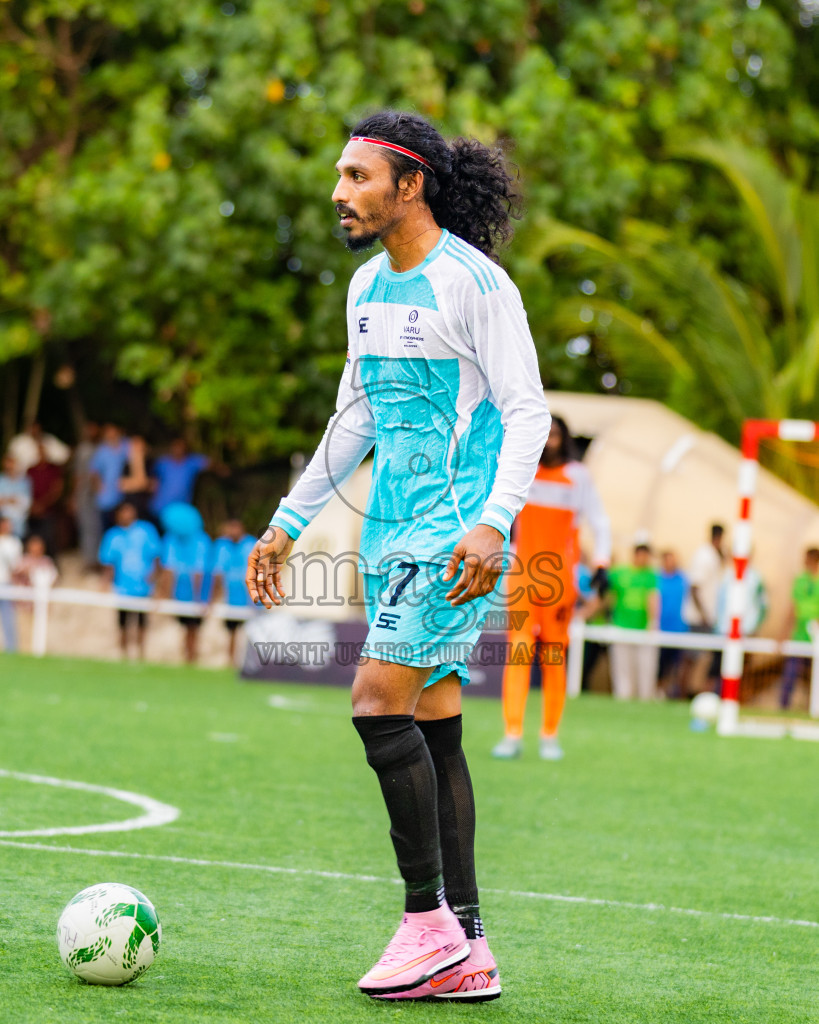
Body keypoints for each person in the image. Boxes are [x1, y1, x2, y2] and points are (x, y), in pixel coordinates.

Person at [246, 112, 549, 1001]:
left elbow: (527, 410)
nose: (338, 193)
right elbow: (357, 419)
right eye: (340, 177)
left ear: (407, 185)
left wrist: (494, 524)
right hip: (388, 534)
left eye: (355, 176)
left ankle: (426, 926)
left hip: (453, 536)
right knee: (435, 722)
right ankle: (470, 945)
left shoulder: (475, 284)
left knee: (375, 701)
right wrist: (286, 523)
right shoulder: (367, 289)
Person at [491, 415, 611, 761]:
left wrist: (601, 564)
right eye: (547, 434)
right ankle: (512, 734)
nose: (552, 440)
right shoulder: (523, 471)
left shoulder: (578, 476)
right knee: (519, 655)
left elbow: (600, 522)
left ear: (566, 438)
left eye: (557, 434)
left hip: (559, 583)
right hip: (523, 579)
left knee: (554, 659)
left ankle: (549, 735)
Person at [99, 501, 162, 660]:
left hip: (143, 586)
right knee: (123, 622)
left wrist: (155, 576)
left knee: (142, 621)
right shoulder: (113, 535)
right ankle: (123, 655)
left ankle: (141, 655)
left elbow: (156, 556)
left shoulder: (146, 530)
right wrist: (105, 583)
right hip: (122, 587)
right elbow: (108, 562)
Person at [159, 502, 212, 664]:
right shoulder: (174, 538)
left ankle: (190, 655)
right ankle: (188, 655)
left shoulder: (199, 540)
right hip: (183, 593)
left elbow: (198, 573)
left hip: (194, 593)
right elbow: (169, 571)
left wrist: (198, 599)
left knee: (193, 627)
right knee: (189, 627)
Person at [608, 543, 660, 700]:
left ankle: (645, 698)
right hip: (622, 626)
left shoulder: (650, 575)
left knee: (645, 668)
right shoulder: (620, 573)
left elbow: (653, 598)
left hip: (643, 629)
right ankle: (623, 697)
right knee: (622, 668)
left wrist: (653, 622)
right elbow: (608, 595)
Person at [209, 519, 256, 664]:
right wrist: (213, 598)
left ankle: (249, 662)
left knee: (251, 633)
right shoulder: (222, 545)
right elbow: (218, 573)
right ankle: (231, 660)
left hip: (250, 598)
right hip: (230, 597)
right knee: (232, 631)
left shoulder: (251, 544)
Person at [779, 547, 819, 709]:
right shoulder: (800, 580)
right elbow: (792, 607)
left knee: (813, 676)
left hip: (815, 636)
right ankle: (783, 707)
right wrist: (783, 634)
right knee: (791, 673)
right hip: (800, 635)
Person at [150, 439, 211, 519]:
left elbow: (210, 464)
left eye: (181, 447)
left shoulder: (191, 462)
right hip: (160, 507)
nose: (178, 450)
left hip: (180, 508)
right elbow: (153, 478)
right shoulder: (163, 462)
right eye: (176, 447)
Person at [70, 421, 102, 572]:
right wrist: (74, 496)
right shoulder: (82, 450)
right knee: (86, 527)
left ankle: (100, 561)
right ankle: (88, 561)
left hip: (102, 495)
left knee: (99, 527)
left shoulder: (104, 448)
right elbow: (77, 475)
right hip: (84, 494)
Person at [657, 550, 689, 697]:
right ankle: (659, 692)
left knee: (678, 666)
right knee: (660, 666)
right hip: (661, 630)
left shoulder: (683, 579)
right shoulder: (657, 579)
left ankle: (674, 694)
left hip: (678, 629)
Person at [89, 424, 131, 533]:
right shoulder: (101, 451)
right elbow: (94, 472)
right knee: (108, 528)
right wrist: (99, 486)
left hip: (124, 494)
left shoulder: (126, 445)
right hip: (107, 497)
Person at [26, 442, 65, 558]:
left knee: (50, 538)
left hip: (49, 510)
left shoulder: (54, 469)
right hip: (33, 511)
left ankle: (52, 563)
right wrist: (33, 505)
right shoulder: (30, 471)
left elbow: (57, 489)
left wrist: (43, 505)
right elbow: (25, 489)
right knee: (34, 538)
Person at [0, 515, 22, 652]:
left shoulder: (14, 543)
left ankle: (11, 648)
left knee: (8, 616)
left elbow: (16, 566)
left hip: (6, 583)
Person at [0, 454, 32, 539]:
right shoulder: (1, 480)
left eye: (12, 464)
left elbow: (27, 503)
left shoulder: (24, 481)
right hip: (2, 525)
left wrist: (8, 500)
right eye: (7, 464)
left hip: (19, 525)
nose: (10, 467)